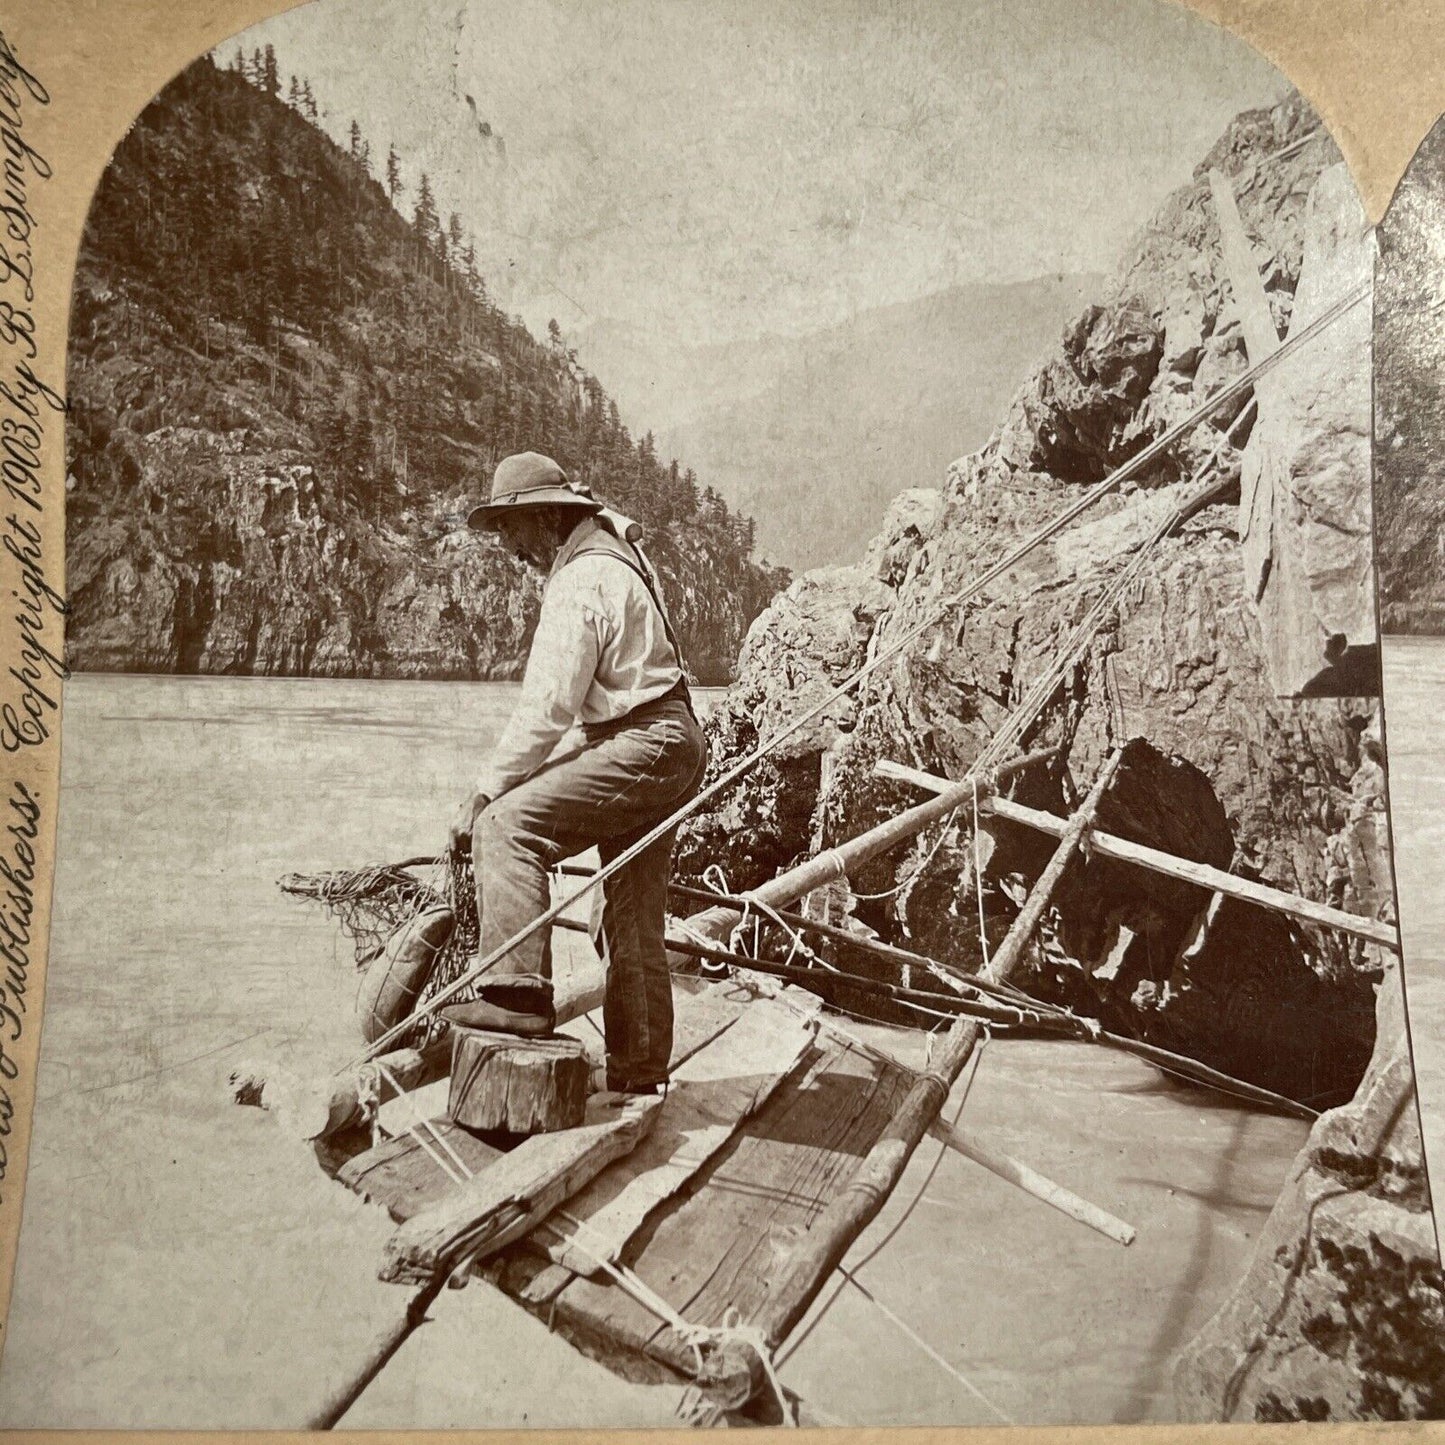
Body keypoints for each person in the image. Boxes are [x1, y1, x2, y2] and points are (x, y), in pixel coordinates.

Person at [447, 451, 707, 1095]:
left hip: (642, 740)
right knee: (630, 911)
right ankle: (639, 1070)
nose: (509, 548)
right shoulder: (614, 556)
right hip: (673, 740)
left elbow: (546, 712)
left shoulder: (579, 581)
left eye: (510, 530)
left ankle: (515, 997)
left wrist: (482, 795)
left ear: (543, 519)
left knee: (507, 830)